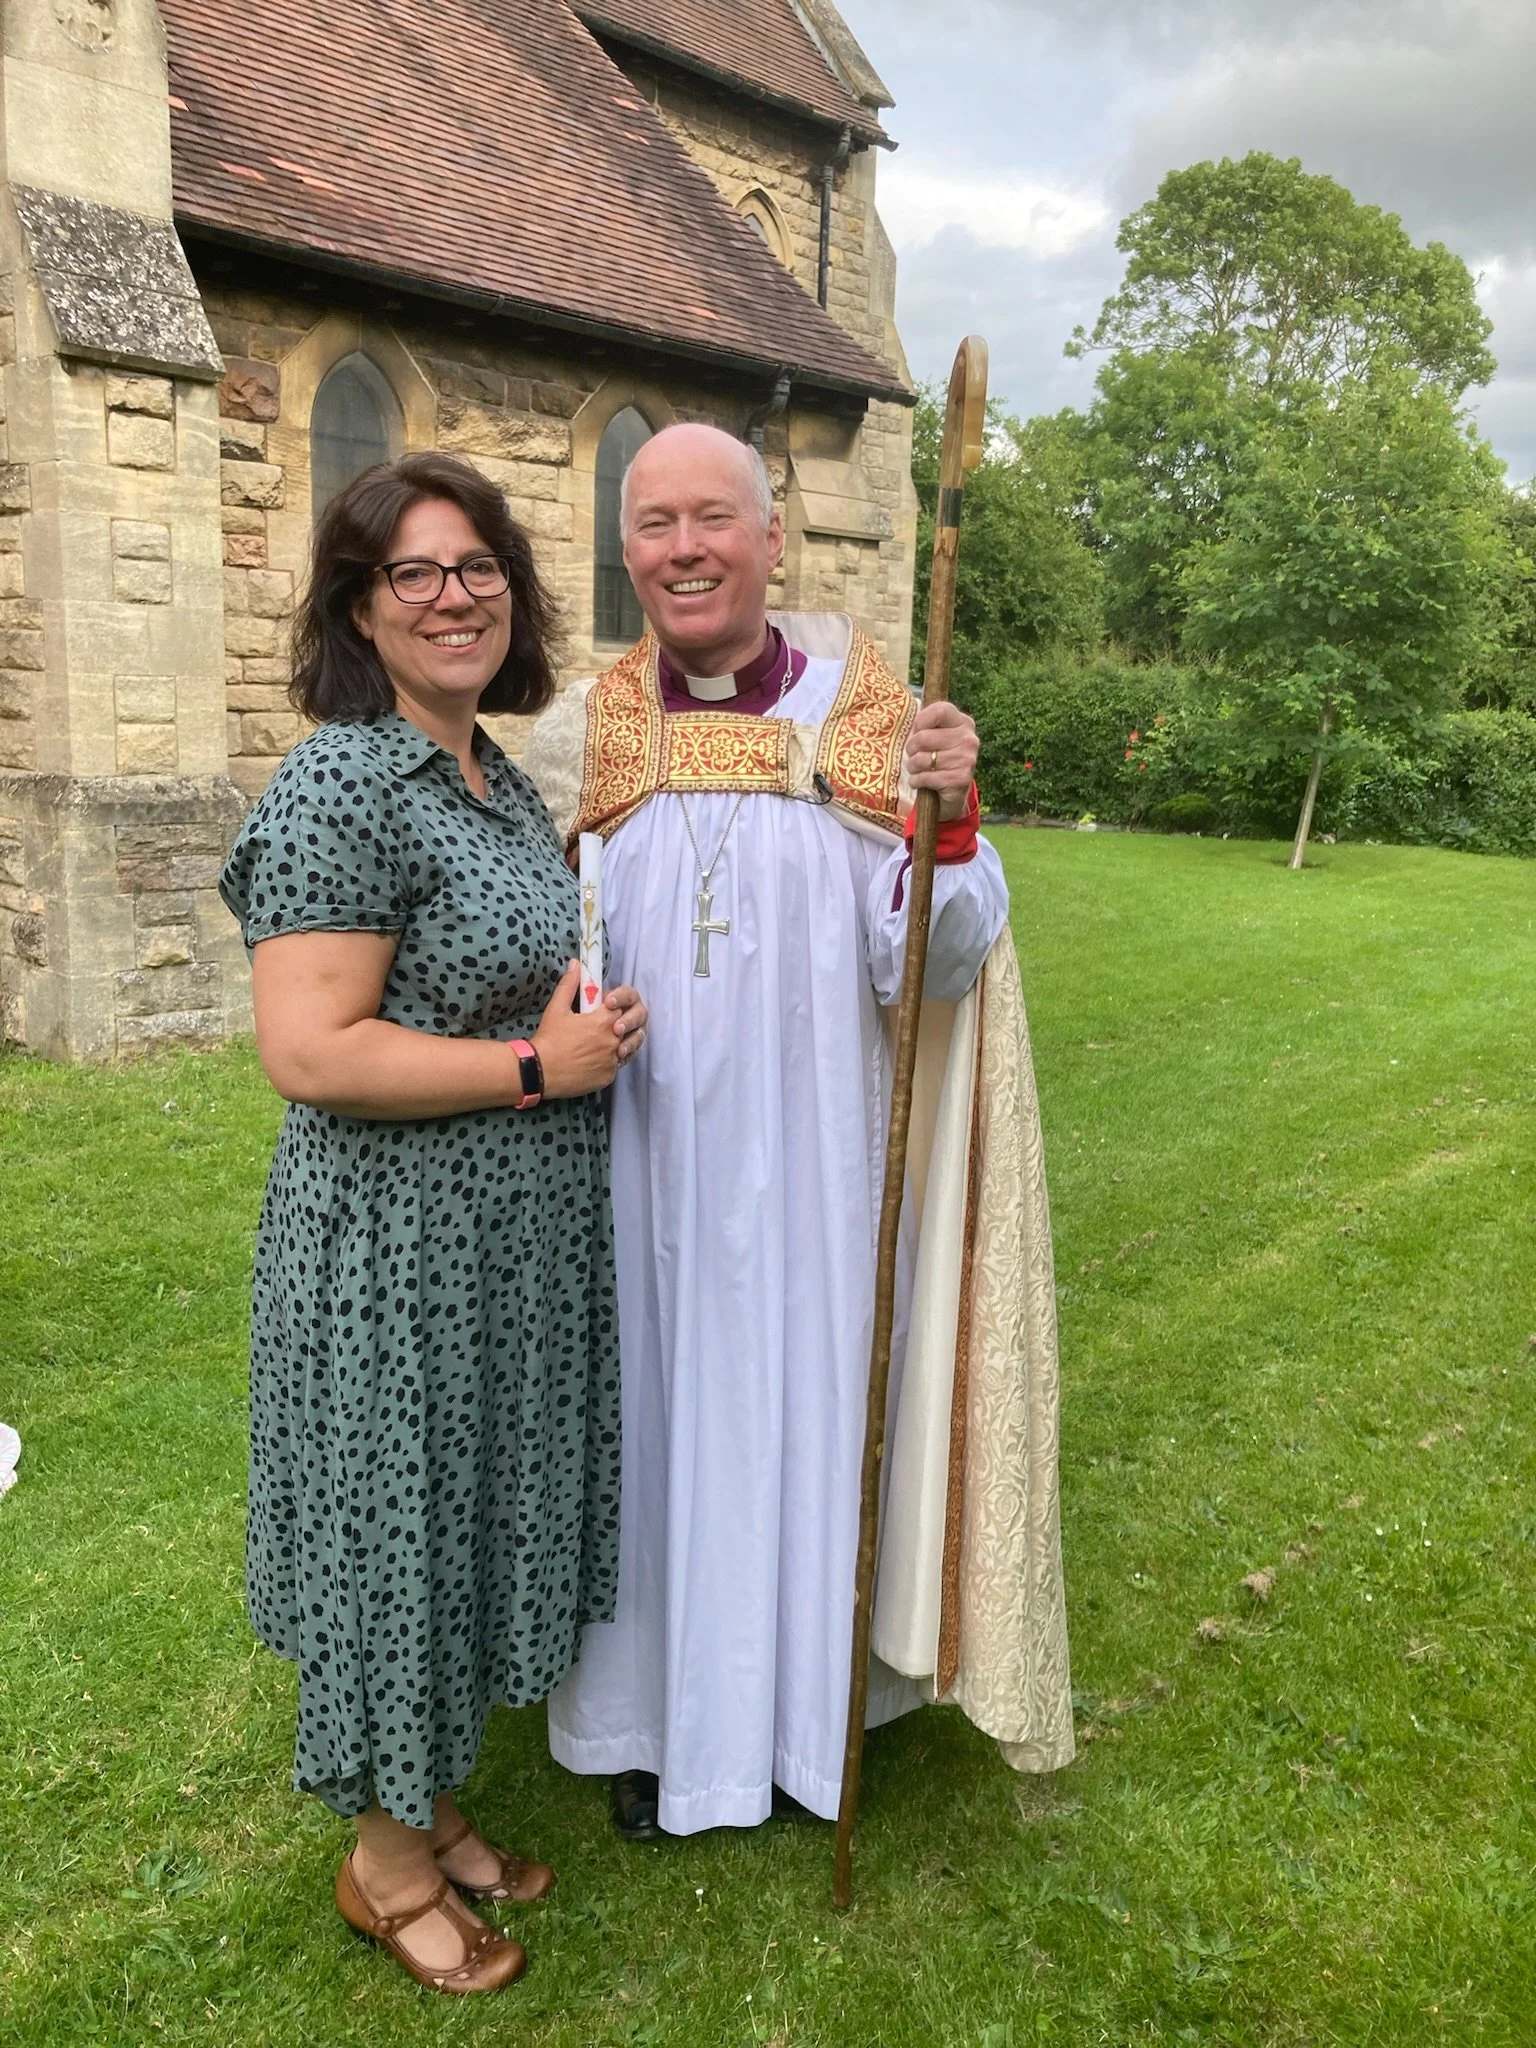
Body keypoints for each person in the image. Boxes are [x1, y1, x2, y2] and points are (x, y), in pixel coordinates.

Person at [524, 423, 1072, 1843]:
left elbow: (932, 968)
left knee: (809, 1428)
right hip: (642, 1175)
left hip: (820, 1173)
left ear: (775, 540)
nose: (685, 548)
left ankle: (805, 1730)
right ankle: (657, 1727)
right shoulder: (591, 728)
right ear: (627, 548)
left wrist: (944, 834)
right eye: (655, 524)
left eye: (715, 519)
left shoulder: (873, 720)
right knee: (654, 1436)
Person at [220, 452, 646, 1992]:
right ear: (359, 607)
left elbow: (478, 985)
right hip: (393, 1249)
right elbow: (313, 1049)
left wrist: (570, 1015)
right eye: (415, 573)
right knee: (401, 1535)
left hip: (506, 1245)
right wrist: (541, 1064)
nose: (455, 596)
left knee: (460, 1522)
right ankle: (385, 1868)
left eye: (478, 569)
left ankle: (431, 1794)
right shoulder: (343, 778)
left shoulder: (494, 775)